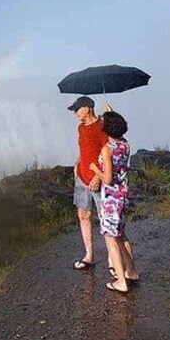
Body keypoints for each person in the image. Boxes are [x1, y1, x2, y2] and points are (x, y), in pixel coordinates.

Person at [90, 110, 139, 293]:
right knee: (121, 234)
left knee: (110, 238)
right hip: (124, 195)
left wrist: (95, 168)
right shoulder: (125, 145)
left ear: (106, 129)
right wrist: (111, 114)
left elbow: (108, 179)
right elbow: (116, 129)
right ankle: (131, 273)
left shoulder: (107, 149)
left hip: (111, 199)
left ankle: (120, 281)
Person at [69, 96, 108, 271]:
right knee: (83, 216)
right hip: (82, 177)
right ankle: (89, 255)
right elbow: (85, 149)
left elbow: (108, 154)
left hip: (98, 178)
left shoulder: (102, 127)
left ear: (88, 107)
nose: (75, 113)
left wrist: (98, 177)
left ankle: (113, 261)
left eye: (77, 109)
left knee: (105, 219)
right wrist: (77, 162)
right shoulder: (80, 128)